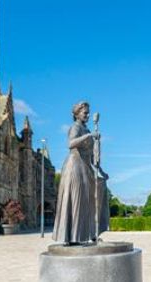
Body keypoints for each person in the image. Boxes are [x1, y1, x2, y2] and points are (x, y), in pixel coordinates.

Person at [52, 101, 108, 245]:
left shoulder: (88, 131)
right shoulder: (75, 127)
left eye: (89, 113)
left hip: (85, 167)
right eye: (85, 113)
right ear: (77, 114)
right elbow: (70, 144)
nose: (88, 115)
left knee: (93, 196)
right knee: (76, 200)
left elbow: (92, 158)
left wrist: (101, 171)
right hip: (74, 166)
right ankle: (70, 237)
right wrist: (88, 137)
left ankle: (92, 233)